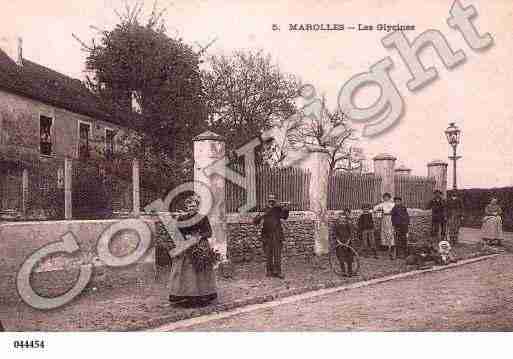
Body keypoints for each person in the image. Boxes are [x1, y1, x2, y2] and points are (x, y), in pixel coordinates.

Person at [168, 196, 217, 307]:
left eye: (194, 206)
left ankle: (202, 295)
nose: (191, 208)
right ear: (186, 207)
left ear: (197, 207)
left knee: (199, 269)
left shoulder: (202, 218)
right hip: (186, 246)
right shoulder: (182, 218)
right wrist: (184, 236)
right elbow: (177, 232)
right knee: (184, 270)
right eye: (189, 206)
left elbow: (209, 232)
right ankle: (183, 294)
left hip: (200, 245)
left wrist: (199, 236)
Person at [253, 194, 289, 278]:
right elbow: (255, 222)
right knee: (268, 254)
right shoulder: (264, 209)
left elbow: (284, 217)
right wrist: (260, 216)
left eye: (273, 199)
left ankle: (278, 272)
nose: (271, 201)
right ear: (268, 200)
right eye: (270, 199)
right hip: (266, 235)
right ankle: (269, 271)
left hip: (277, 234)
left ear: (275, 200)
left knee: (277, 254)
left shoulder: (278, 209)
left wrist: (286, 209)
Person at [374, 193, 396, 259]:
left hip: (391, 219)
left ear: (389, 198)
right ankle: (385, 245)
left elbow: (396, 210)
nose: (386, 198)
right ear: (383, 198)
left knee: (390, 231)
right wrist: (380, 211)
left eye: (387, 197)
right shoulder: (382, 204)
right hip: (384, 219)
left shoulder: (393, 204)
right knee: (384, 232)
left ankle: (391, 245)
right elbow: (375, 209)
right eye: (384, 197)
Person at [335, 208, 355, 276]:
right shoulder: (337, 226)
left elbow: (350, 234)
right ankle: (343, 271)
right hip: (340, 244)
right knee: (341, 258)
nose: (342, 219)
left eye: (344, 218)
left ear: (345, 219)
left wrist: (347, 242)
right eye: (341, 218)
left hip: (348, 243)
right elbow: (336, 235)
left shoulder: (348, 225)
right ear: (339, 219)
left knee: (349, 258)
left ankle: (350, 272)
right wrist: (339, 242)